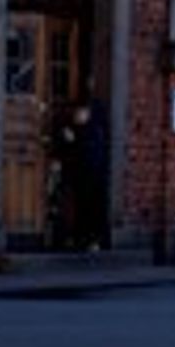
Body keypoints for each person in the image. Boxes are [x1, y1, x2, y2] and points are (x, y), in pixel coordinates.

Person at [48, 101, 111, 251]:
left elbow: (88, 154)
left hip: (93, 179)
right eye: (76, 114)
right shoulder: (76, 129)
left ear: (87, 115)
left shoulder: (93, 132)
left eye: (80, 114)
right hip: (80, 178)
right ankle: (78, 238)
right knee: (78, 209)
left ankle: (92, 240)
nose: (76, 117)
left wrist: (73, 141)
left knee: (91, 210)